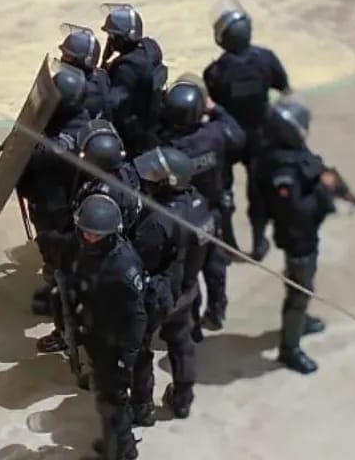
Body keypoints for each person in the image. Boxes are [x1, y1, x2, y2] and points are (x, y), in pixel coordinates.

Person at [260, 99, 351, 374]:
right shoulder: (282, 170)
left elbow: (314, 169)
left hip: (306, 235)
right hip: (298, 238)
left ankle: (300, 321)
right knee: (299, 291)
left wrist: (333, 186)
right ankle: (290, 350)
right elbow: (295, 210)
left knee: (303, 285)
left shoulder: (291, 152)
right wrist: (323, 195)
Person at [55, 194, 148, 460]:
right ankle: (116, 444)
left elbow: (137, 317)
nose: (90, 238)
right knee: (107, 399)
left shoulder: (123, 267)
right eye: (86, 232)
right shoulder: (87, 246)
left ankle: (122, 451)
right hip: (97, 331)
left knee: (113, 402)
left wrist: (126, 359)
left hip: (115, 343)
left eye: (96, 235)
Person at [130, 146, 214, 420]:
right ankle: (183, 399)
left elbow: (139, 258)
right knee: (181, 343)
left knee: (139, 349)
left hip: (158, 295)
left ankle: (142, 405)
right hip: (187, 291)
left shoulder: (158, 220)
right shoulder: (200, 204)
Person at [202, 6, 290, 262]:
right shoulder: (266, 59)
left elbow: (211, 105)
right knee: (259, 189)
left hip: (228, 135)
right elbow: (284, 88)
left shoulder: (216, 71)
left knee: (223, 189)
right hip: (260, 135)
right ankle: (259, 240)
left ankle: (228, 243)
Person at [156, 79, 245, 331]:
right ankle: (216, 311)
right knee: (215, 265)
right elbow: (237, 136)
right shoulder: (214, 135)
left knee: (187, 273)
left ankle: (192, 323)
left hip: (182, 217)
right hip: (211, 213)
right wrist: (215, 109)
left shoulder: (165, 147)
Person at [17, 65, 91, 315]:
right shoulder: (77, 117)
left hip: (55, 204)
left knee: (55, 248)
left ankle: (61, 290)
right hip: (56, 196)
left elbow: (31, 157)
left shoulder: (65, 139)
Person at [102, 5, 168, 157]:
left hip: (134, 137)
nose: (110, 40)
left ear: (123, 39)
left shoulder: (126, 69)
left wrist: (102, 75)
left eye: (113, 36)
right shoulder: (150, 47)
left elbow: (112, 105)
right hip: (153, 119)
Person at [58, 24, 111, 120]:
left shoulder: (81, 94)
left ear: (84, 62)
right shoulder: (101, 74)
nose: (61, 59)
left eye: (67, 57)